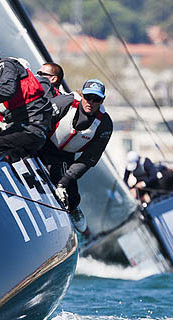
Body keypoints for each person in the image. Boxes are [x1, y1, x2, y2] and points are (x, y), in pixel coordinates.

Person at [38, 79, 113, 233]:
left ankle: (73, 209)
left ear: (102, 101)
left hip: (66, 155)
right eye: (88, 97)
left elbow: (89, 159)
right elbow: (38, 122)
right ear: (81, 95)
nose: (91, 102)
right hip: (43, 142)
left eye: (96, 99)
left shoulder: (104, 124)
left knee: (68, 192)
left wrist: (64, 182)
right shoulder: (65, 102)